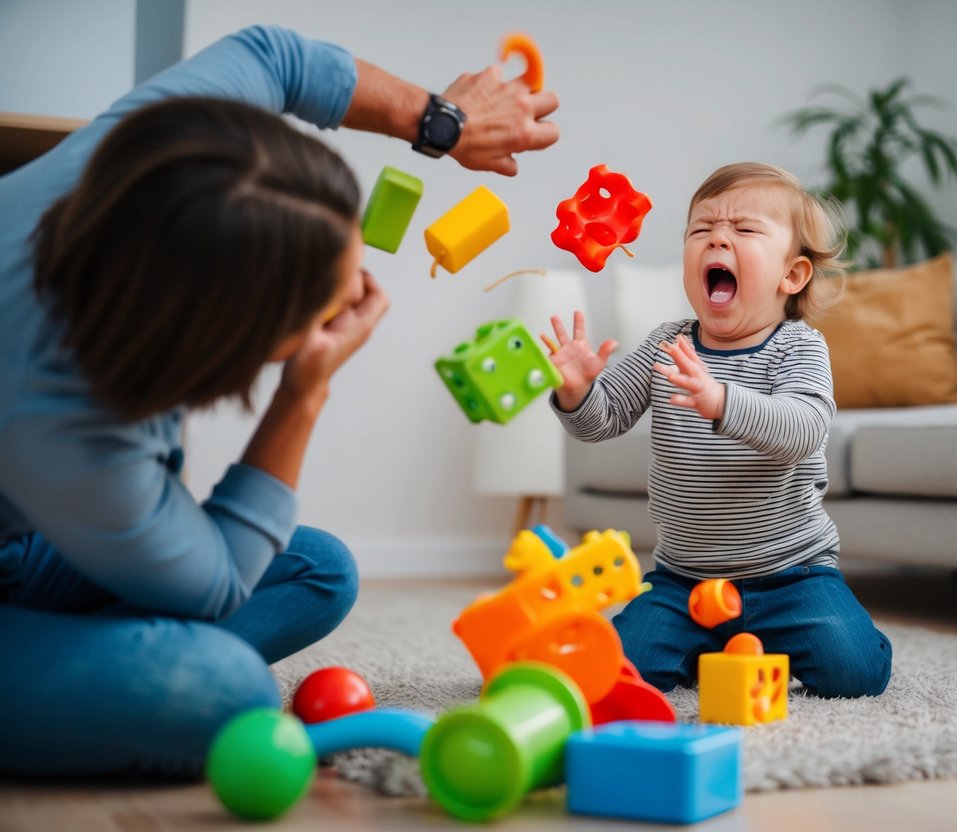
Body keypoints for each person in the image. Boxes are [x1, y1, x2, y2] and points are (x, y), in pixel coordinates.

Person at [0, 25, 559, 778]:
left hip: (27, 526)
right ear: (219, 335)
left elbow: (274, 57)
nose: (349, 301)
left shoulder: (155, 159)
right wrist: (305, 389)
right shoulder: (65, 420)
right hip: (38, 486)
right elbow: (216, 589)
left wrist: (440, 118)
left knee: (317, 569)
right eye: (315, 311)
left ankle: (93, 679)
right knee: (226, 693)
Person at [548, 162, 892, 697]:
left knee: (854, 672)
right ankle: (715, 646)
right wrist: (576, 392)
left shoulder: (798, 347)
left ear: (792, 275)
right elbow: (605, 419)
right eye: (701, 230)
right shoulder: (669, 343)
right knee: (616, 670)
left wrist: (721, 402)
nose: (718, 241)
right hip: (684, 581)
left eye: (744, 229)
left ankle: (758, 640)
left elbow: (802, 429)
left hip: (793, 576)